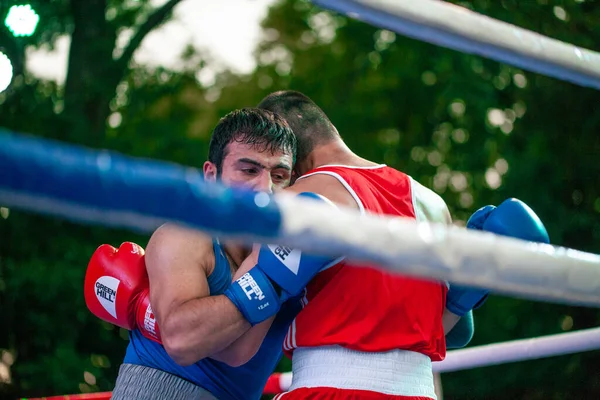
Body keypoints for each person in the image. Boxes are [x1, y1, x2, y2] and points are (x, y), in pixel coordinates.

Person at [220, 90, 550, 400]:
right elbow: (454, 332)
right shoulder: (431, 203)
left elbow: (233, 339)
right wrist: (468, 293)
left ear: (287, 157)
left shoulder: (300, 200)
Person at [84, 108, 302, 400]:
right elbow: (181, 339)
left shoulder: (293, 252)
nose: (265, 188)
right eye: (249, 170)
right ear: (211, 176)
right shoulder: (184, 235)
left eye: (279, 175)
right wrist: (268, 272)